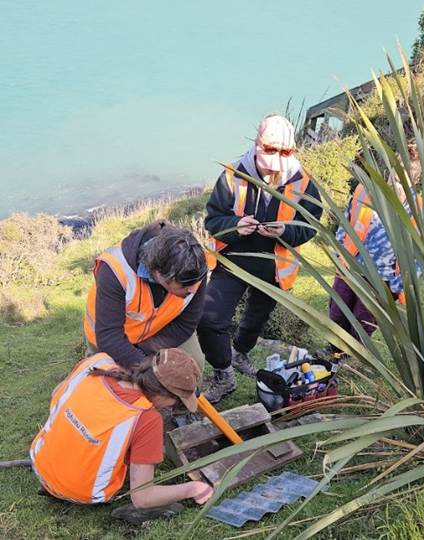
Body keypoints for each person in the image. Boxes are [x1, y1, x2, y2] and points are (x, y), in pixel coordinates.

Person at [197, 114, 322, 403]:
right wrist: (235, 227)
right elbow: (213, 220)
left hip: (275, 266)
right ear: (256, 144)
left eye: (285, 151)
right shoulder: (232, 176)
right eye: (270, 149)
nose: (277, 159)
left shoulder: (303, 181)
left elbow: (311, 223)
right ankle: (223, 373)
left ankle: (240, 353)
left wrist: (286, 231)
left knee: (256, 319)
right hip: (233, 260)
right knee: (208, 318)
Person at [30, 348, 213, 522]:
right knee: (146, 492)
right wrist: (193, 488)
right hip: (79, 489)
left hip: (42, 460)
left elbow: (56, 394)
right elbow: (142, 498)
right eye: (177, 401)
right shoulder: (146, 417)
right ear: (162, 394)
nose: (173, 406)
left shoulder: (98, 363)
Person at [322, 144, 422, 357]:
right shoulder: (364, 191)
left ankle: (350, 356)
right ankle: (333, 349)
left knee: (363, 320)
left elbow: (420, 257)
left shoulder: (418, 211)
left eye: (402, 184)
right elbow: (345, 223)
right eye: (394, 179)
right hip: (351, 266)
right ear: (389, 172)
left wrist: (397, 284)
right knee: (337, 311)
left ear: (415, 181)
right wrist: (340, 254)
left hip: (383, 279)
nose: (395, 187)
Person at [84, 220, 208, 371]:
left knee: (192, 365)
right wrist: (147, 368)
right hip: (109, 338)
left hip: (163, 333)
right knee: (108, 384)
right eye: (185, 285)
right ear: (158, 273)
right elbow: (109, 337)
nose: (194, 290)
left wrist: (150, 356)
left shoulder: (195, 266)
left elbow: (185, 324)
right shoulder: (114, 271)